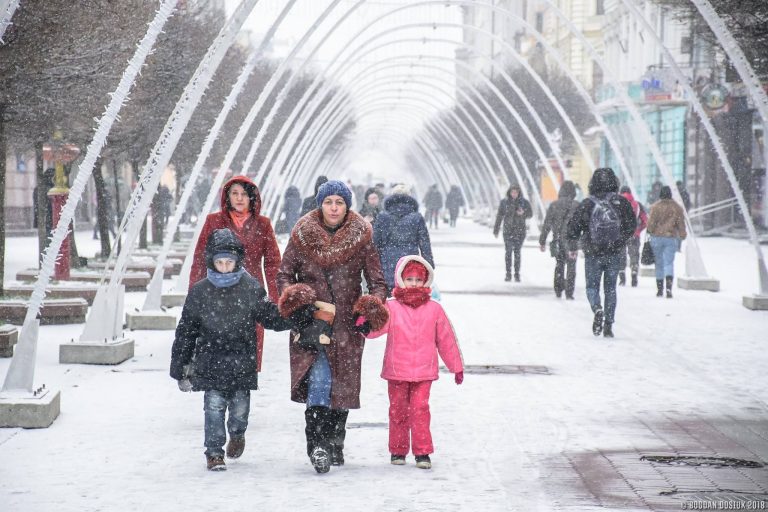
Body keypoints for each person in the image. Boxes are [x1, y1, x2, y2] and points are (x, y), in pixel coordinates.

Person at [276, 180, 388, 474]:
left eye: (339, 202)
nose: (334, 207)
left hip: (347, 327)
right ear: (320, 204)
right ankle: (318, 446)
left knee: (343, 386)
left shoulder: (362, 237)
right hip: (312, 323)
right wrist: (296, 302)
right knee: (320, 383)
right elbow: (284, 274)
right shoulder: (302, 235)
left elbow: (377, 281)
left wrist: (371, 307)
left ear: (347, 205)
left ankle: (336, 439)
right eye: (329, 202)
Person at [170, 228, 296, 471]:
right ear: (212, 262)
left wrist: (293, 315)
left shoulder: (249, 288)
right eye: (220, 262)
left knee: (239, 410)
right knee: (213, 407)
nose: (225, 266)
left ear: (237, 261)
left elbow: (269, 317)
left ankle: (237, 435)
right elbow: (186, 331)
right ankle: (214, 451)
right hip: (210, 361)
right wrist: (180, 366)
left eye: (229, 261)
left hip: (241, 361)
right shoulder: (200, 291)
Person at [358, 255, 463, 470]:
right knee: (397, 410)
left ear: (426, 281)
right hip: (397, 370)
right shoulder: (391, 307)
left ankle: (422, 452)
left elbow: (446, 339)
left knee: (420, 409)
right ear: (400, 280)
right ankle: (398, 449)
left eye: (417, 279)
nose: (413, 284)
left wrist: (456, 366)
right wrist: (364, 325)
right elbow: (378, 328)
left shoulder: (434, 309)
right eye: (409, 279)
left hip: (424, 371)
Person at [190, 176, 281, 373]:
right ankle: (217, 384)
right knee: (217, 339)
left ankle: (245, 380)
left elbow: (273, 263)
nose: (240, 198)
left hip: (252, 292)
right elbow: (199, 258)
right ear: (227, 197)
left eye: (244, 194)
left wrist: (276, 297)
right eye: (234, 193)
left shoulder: (263, 224)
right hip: (217, 290)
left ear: (252, 198)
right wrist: (194, 294)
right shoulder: (214, 221)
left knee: (250, 339)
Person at [566, 168, 636, 338]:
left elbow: (573, 227)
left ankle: (597, 308)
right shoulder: (621, 202)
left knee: (592, 287)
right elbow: (631, 225)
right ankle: (609, 325)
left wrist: (573, 243)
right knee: (611, 289)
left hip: (593, 251)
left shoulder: (588, 203)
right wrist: (620, 240)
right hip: (614, 252)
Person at [373, 191, 435, 295]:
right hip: (409, 260)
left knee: (389, 294)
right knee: (408, 289)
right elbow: (424, 242)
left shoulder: (383, 216)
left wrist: (373, 264)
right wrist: (428, 263)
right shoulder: (417, 217)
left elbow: (375, 242)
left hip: (387, 260)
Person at [539, 181, 580, 299]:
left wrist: (542, 241)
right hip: (572, 240)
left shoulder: (554, 205)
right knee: (572, 265)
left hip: (558, 239)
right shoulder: (577, 205)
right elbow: (583, 224)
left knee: (559, 263)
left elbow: (547, 224)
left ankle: (558, 287)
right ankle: (569, 291)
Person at [647, 185, 687, 298]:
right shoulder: (677, 208)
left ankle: (660, 289)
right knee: (669, 263)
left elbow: (651, 223)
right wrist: (682, 234)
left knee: (659, 263)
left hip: (656, 238)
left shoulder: (655, 207)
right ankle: (669, 288)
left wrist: (650, 230)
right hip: (670, 238)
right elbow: (681, 224)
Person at [493, 184, 533, 282]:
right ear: (509, 193)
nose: (514, 194)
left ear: (519, 193)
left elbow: (530, 214)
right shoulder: (504, 203)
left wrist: (523, 213)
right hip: (508, 231)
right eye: (512, 192)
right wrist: (496, 229)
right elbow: (499, 216)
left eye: (516, 192)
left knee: (517, 252)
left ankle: (517, 274)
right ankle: (508, 273)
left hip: (520, 231)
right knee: (508, 252)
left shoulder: (524, 202)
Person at [618, 186, 648, 287]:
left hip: (620, 235)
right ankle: (634, 272)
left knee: (621, 254)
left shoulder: (616, 204)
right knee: (634, 254)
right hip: (634, 234)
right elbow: (645, 221)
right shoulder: (638, 205)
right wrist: (638, 230)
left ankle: (622, 276)